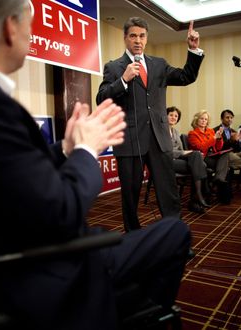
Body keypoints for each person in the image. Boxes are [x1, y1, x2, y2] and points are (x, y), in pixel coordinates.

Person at [0, 1, 191, 330]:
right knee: (175, 233)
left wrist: (65, 150)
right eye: (30, 23)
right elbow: (62, 212)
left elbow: (12, 174)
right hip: (45, 265)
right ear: (11, 28)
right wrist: (85, 149)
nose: (32, 32)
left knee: (169, 220)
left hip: (16, 246)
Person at [96, 16, 204, 231]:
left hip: (159, 138)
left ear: (146, 39)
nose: (138, 40)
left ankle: (175, 234)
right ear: (126, 38)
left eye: (142, 36)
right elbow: (102, 98)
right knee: (130, 194)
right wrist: (123, 81)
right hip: (129, 141)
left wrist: (193, 51)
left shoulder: (159, 65)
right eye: (133, 36)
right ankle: (133, 237)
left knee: (168, 191)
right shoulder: (114, 67)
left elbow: (186, 77)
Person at [167, 106, 209, 213]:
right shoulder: (161, 132)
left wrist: (187, 152)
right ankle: (197, 197)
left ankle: (197, 198)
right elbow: (165, 152)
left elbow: (181, 149)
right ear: (165, 116)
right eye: (171, 115)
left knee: (196, 156)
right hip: (167, 161)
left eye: (176, 116)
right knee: (201, 165)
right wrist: (183, 152)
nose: (173, 117)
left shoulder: (175, 132)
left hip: (179, 159)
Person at [188, 110, 231, 203]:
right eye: (201, 119)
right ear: (197, 120)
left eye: (206, 119)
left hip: (213, 155)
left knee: (226, 155)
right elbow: (201, 147)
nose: (204, 121)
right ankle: (215, 182)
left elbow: (218, 148)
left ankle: (217, 179)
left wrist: (219, 139)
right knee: (225, 167)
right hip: (202, 158)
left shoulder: (211, 131)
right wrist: (214, 138)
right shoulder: (192, 133)